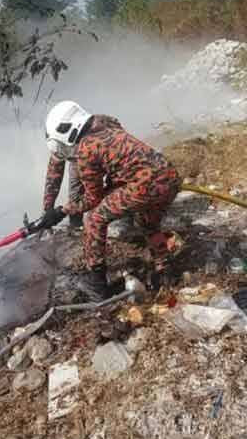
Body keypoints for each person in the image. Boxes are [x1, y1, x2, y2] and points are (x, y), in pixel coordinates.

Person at [40, 100, 182, 300]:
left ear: (66, 132)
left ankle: (96, 285)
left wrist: (61, 210)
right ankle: (164, 271)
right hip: (169, 176)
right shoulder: (105, 122)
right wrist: (49, 208)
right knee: (146, 222)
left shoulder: (86, 151)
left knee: (94, 219)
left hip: (145, 185)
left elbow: (92, 199)